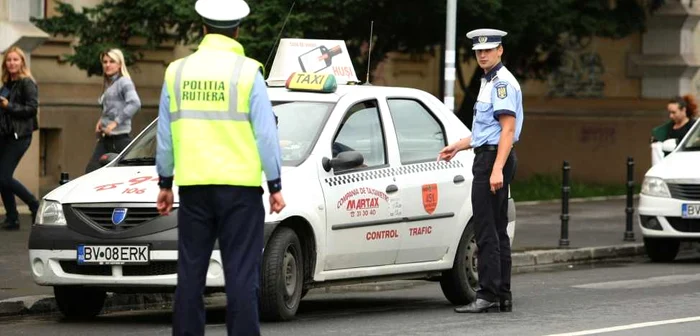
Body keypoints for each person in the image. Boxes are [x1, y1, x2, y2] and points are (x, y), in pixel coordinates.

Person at [154, 0, 286, 334]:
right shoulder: (247, 72)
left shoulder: (177, 72)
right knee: (241, 276)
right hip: (240, 192)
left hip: (195, 189)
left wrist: (165, 183)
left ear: (202, 27)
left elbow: (165, 135)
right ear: (237, 29)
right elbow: (266, 136)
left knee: (190, 275)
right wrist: (274, 185)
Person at [438, 28, 523, 313]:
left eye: (488, 50)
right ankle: (502, 294)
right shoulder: (491, 82)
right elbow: (488, 130)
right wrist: (461, 145)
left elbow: (507, 129)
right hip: (490, 156)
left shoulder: (501, 84)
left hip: (492, 161)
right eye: (479, 51)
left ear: (500, 50)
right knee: (496, 229)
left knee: (486, 229)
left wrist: (497, 168)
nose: (483, 55)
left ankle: (487, 294)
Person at [0, 46, 41, 230]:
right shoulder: (7, 84)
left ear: (22, 62)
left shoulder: (27, 83)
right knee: (1, 177)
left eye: (15, 60)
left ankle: (34, 204)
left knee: (4, 176)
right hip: (5, 135)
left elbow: (32, 109)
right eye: (9, 60)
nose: (12, 63)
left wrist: (9, 106)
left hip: (20, 135)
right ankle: (12, 217)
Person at [84, 48, 141, 173]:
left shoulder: (124, 82)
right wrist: (101, 121)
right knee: (91, 172)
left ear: (120, 64)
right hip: (105, 139)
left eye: (112, 61)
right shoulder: (109, 83)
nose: (108, 65)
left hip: (120, 139)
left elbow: (135, 103)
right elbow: (111, 108)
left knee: (126, 173)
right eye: (105, 62)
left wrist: (115, 123)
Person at [650, 95, 698, 165]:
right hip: (668, 164)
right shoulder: (667, 128)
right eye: (669, 112)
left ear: (683, 110)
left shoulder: (694, 126)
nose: (671, 116)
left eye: (674, 112)